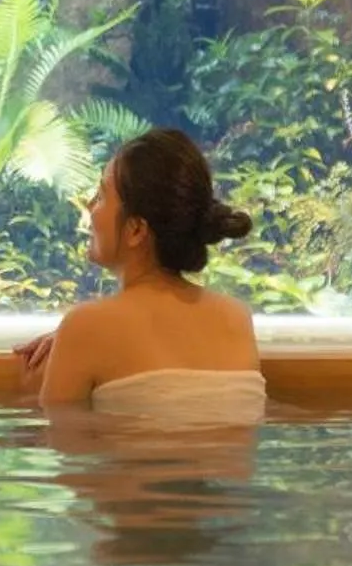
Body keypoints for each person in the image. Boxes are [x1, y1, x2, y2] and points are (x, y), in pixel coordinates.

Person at [14, 127, 264, 418]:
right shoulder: (237, 318)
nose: (91, 207)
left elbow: (64, 450)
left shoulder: (86, 328)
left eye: (101, 195)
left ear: (135, 229)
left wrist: (68, 348)